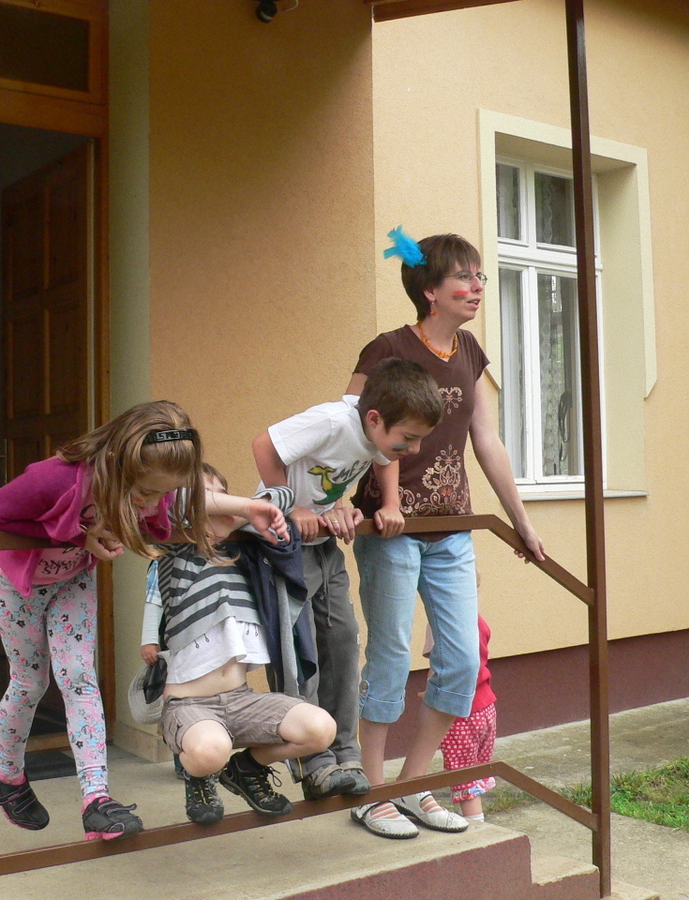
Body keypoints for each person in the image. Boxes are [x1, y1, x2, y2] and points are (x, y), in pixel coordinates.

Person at [0, 400, 256, 841]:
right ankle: (6, 775)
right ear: (118, 460)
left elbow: (172, 514)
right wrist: (80, 534)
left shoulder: (156, 487)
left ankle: (96, 800)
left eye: (161, 494)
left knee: (80, 679)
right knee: (30, 681)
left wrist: (244, 510)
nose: (151, 501)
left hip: (72, 579)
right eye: (144, 491)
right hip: (19, 583)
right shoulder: (59, 477)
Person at [345, 229, 546, 839]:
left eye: (479, 275)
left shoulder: (469, 350)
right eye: (465, 276)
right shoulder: (388, 348)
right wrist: (366, 501)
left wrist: (521, 522)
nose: (477, 286)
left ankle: (411, 784)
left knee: (460, 661)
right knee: (389, 657)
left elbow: (486, 439)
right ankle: (372, 793)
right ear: (430, 290)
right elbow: (352, 429)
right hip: (392, 530)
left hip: (454, 528)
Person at [251, 357, 443, 801]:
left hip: (323, 544)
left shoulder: (376, 435)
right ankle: (314, 761)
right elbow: (265, 445)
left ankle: (345, 753)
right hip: (281, 546)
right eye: (408, 438)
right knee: (298, 650)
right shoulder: (333, 421)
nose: (414, 449)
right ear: (374, 419)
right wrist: (292, 505)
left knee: (341, 639)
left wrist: (387, 504)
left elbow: (383, 458)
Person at [140, 464, 336, 825]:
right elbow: (176, 502)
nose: (217, 504)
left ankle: (245, 769)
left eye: (222, 495)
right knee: (211, 751)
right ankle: (200, 776)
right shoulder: (173, 551)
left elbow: (283, 497)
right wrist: (239, 508)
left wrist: (245, 513)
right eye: (207, 497)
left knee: (321, 729)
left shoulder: (244, 551)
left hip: (241, 699)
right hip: (190, 704)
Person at [426, 615, 497, 824]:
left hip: (460, 714)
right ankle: (477, 816)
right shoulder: (477, 620)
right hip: (486, 707)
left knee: (463, 776)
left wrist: (429, 692)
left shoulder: (443, 621)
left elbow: (438, 666)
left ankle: (476, 822)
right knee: (476, 769)